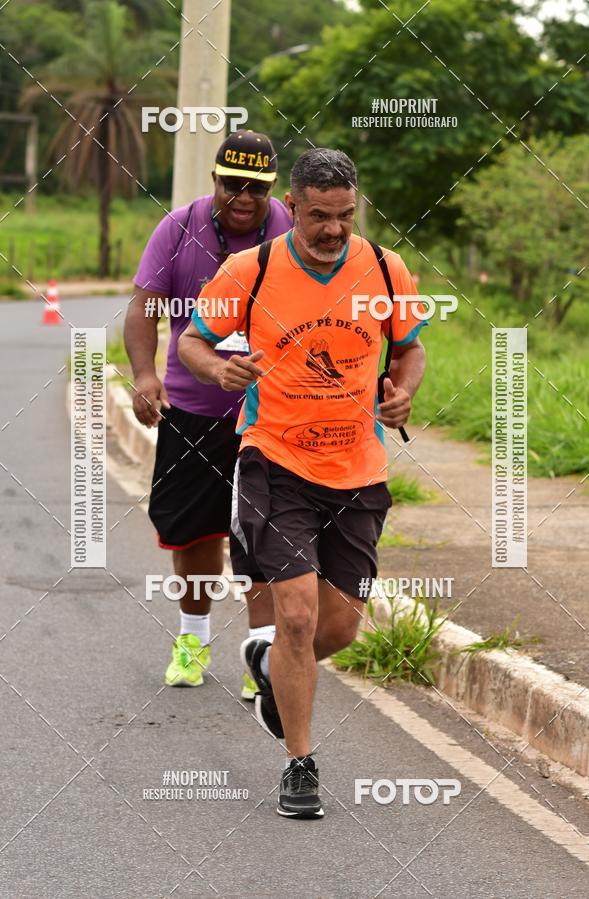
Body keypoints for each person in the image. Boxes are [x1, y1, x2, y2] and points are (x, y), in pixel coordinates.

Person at [178, 148, 427, 819]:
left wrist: (401, 392)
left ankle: (273, 667)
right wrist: (217, 370)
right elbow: (193, 341)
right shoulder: (251, 270)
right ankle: (299, 761)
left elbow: (409, 346)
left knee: (338, 628)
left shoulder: (383, 268)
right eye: (319, 216)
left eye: (346, 215)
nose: (333, 229)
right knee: (294, 614)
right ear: (293, 205)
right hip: (275, 462)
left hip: (358, 470)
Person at [124, 130, 291, 693]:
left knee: (263, 534)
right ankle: (192, 640)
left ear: (273, 190)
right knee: (195, 535)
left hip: (273, 416)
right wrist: (146, 376)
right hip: (193, 411)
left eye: (256, 188)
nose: (242, 197)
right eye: (232, 185)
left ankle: (261, 654)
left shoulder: (289, 233)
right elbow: (145, 308)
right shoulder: (177, 228)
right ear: (214, 181)